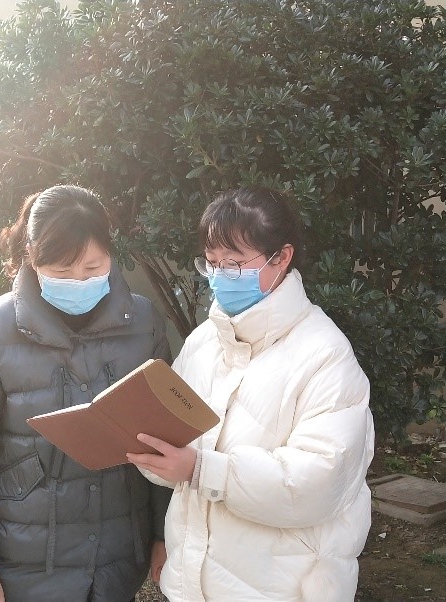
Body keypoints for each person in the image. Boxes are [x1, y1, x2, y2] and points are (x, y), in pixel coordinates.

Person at [127, 187, 375, 601]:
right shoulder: (205, 342)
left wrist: (203, 471)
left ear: (282, 257)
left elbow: (319, 480)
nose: (220, 275)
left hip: (281, 587)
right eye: (212, 262)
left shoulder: (325, 355)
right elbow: (177, 446)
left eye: (235, 263)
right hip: (193, 584)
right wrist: (151, 452)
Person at [0, 185, 171, 602]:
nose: (79, 281)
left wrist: (162, 535)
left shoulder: (143, 322)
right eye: (62, 272)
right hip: (26, 558)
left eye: (92, 267)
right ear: (31, 255)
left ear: (110, 252)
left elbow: (163, 438)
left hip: (118, 554)